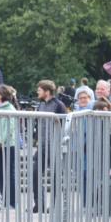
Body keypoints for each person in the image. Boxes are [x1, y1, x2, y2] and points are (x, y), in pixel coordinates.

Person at [31, 80, 68, 213]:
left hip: (54, 147)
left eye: (39, 90)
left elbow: (64, 125)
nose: (37, 92)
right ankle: (38, 204)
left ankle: (54, 206)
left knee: (55, 177)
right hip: (41, 146)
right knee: (35, 174)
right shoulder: (40, 104)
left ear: (47, 92)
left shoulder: (59, 105)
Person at [0, 84, 19, 209]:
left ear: (1, 95)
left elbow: (9, 129)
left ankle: (11, 202)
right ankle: (4, 200)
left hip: (7, 145)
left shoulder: (10, 109)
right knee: (0, 173)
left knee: (8, 174)